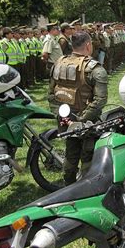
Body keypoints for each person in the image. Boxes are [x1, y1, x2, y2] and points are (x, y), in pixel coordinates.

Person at [48, 31, 108, 185]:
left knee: (71, 152)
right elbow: (100, 99)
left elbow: (51, 94)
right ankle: (87, 189)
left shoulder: (59, 63)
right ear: (88, 45)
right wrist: (81, 119)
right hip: (86, 121)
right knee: (88, 155)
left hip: (65, 119)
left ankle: (68, 186)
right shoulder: (94, 68)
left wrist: (64, 117)